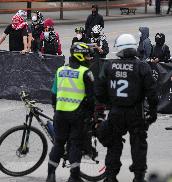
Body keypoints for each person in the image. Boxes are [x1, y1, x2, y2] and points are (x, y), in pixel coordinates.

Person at [95, 34, 158, 182]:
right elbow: (152, 92)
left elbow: (99, 90)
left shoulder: (109, 65)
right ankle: (138, 177)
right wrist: (153, 113)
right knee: (138, 145)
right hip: (136, 112)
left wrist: (109, 103)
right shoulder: (142, 66)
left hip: (116, 111)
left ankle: (110, 176)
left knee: (114, 144)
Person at [46, 42, 95, 182]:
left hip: (60, 114)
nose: (88, 58)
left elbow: (53, 94)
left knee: (59, 144)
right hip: (77, 115)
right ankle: (74, 177)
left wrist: (56, 110)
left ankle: (50, 175)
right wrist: (91, 115)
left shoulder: (60, 70)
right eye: (86, 55)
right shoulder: (85, 73)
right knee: (75, 144)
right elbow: (91, 98)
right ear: (79, 56)